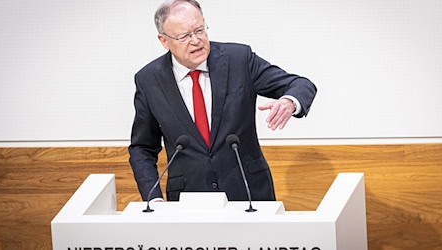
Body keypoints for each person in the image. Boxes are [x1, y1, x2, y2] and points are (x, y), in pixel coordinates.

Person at [129, 0, 317, 202]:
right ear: (164, 41)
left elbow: (300, 84)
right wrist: (153, 198)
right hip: (189, 200)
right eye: (184, 36)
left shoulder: (239, 59)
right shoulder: (149, 80)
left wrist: (289, 102)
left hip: (249, 193)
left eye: (200, 30)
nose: (196, 40)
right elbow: (142, 148)